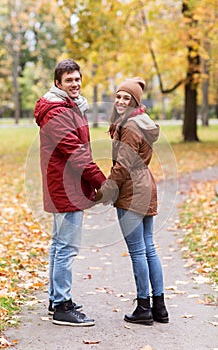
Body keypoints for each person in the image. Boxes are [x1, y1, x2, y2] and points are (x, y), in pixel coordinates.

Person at [34, 58, 106, 326]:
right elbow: (76, 152)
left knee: (59, 245)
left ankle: (56, 300)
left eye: (77, 79)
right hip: (65, 188)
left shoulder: (68, 107)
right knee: (66, 247)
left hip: (65, 185)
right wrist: (102, 181)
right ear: (57, 83)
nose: (75, 84)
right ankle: (62, 306)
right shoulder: (57, 112)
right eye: (69, 80)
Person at [95, 77, 169, 326]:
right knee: (149, 247)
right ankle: (160, 307)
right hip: (146, 184)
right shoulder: (142, 121)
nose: (120, 101)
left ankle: (143, 307)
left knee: (139, 249)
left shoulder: (129, 127)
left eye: (127, 98)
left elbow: (123, 165)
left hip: (133, 189)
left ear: (135, 101)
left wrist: (105, 191)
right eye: (118, 96)